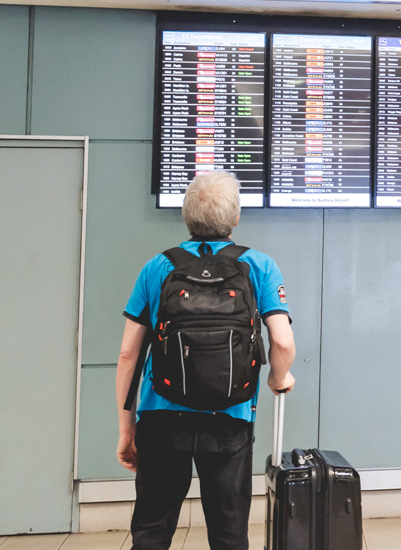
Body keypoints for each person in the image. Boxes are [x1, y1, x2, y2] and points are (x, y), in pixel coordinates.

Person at [116, 171, 295, 550]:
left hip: (161, 416)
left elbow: (129, 353)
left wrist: (126, 429)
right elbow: (282, 341)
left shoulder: (158, 266)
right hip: (230, 416)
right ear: (236, 218)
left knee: (151, 531)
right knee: (229, 534)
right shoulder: (259, 265)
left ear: (186, 216)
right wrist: (279, 378)